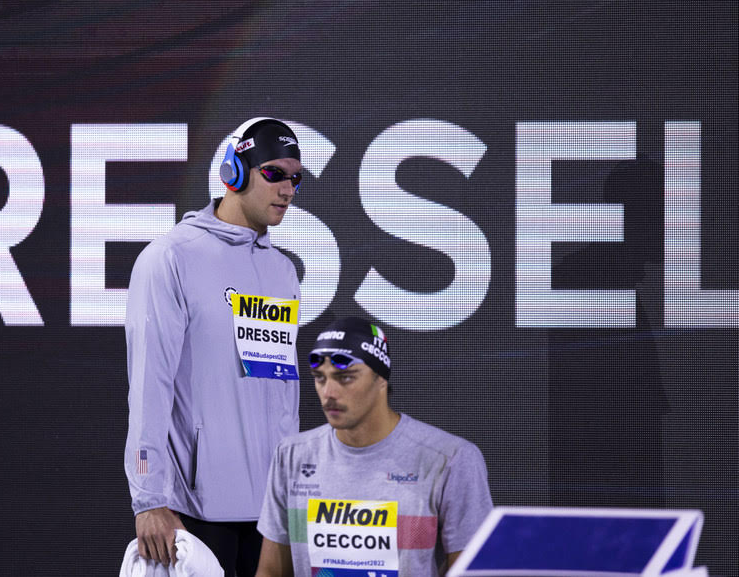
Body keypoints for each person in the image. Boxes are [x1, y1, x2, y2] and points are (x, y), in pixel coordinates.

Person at [125, 118, 305, 576]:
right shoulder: (171, 258)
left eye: (295, 178)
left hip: (271, 516)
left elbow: (282, 396)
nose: (288, 189)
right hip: (196, 515)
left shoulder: (283, 272)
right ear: (234, 172)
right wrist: (149, 499)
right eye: (274, 174)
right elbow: (150, 386)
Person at [256, 317, 493, 577]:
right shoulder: (292, 455)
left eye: (345, 377)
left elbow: (475, 570)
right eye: (319, 378)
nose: (329, 392)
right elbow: (271, 571)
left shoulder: (449, 458)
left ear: (380, 378)